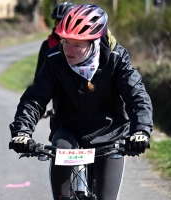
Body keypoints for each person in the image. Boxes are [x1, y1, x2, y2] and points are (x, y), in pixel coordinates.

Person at [9, 4, 153, 200]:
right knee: (62, 152)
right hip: (68, 131)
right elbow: (35, 98)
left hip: (110, 133)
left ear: (94, 42)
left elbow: (137, 95)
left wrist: (141, 131)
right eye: (65, 41)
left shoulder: (116, 59)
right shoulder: (54, 60)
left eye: (77, 45)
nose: (68, 50)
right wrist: (22, 132)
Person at [35, 2, 76, 119]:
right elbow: (40, 78)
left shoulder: (83, 44)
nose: (61, 25)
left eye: (65, 21)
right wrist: (40, 105)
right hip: (58, 99)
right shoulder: (47, 45)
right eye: (58, 21)